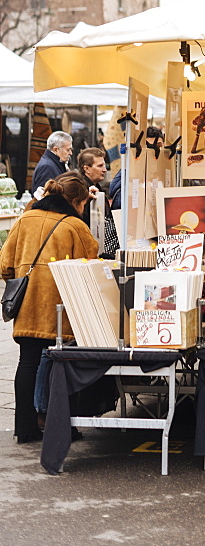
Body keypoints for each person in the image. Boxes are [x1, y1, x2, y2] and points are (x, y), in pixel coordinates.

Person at [0, 172, 98, 443]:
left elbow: (4, 265)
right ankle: (65, 427)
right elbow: (91, 262)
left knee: (27, 364)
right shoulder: (74, 226)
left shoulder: (25, 219)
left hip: (28, 306)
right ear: (76, 201)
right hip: (61, 309)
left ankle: (25, 428)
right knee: (64, 367)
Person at [76, 147, 119, 258]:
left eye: (104, 165)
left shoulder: (97, 188)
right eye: (100, 166)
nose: (104, 170)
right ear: (86, 169)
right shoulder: (80, 192)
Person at [31, 131, 73, 196]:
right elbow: (43, 198)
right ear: (56, 150)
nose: (70, 153)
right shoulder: (47, 167)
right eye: (68, 150)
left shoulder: (54, 163)